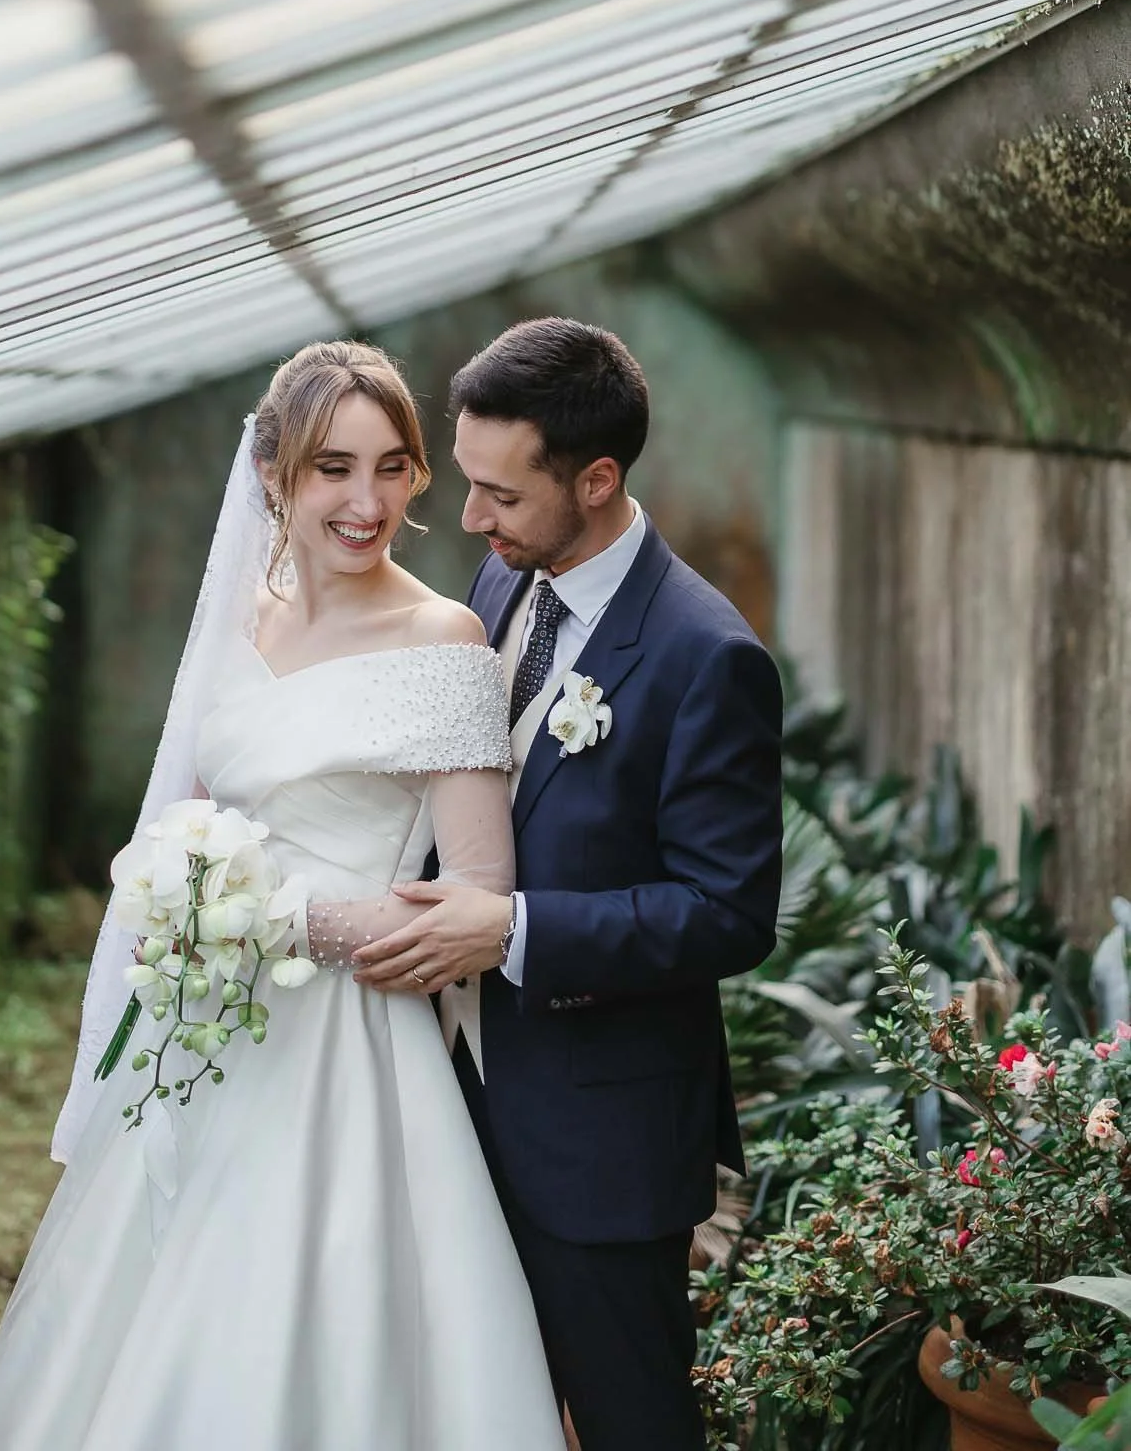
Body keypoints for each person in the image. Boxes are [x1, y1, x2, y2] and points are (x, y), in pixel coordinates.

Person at [0, 340, 565, 1451]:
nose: (366, 502)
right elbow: (191, 812)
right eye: (334, 467)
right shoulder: (244, 617)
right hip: (204, 1034)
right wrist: (186, 890)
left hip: (350, 1051)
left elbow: (477, 897)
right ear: (276, 473)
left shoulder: (444, 637)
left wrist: (270, 918)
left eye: (391, 468)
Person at [353, 317, 784, 1451]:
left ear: (595, 480)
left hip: (602, 1139)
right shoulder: (502, 587)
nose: (472, 517)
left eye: (501, 492)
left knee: (630, 1420)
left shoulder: (706, 657)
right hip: (448, 1097)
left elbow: (729, 911)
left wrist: (513, 931)